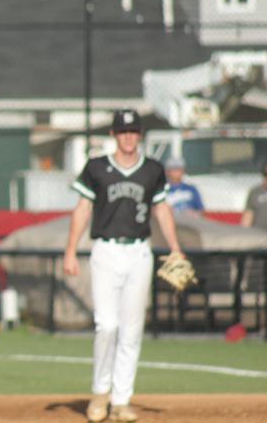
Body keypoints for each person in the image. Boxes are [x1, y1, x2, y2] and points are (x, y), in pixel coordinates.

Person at [62, 109, 184, 423]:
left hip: (139, 252)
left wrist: (175, 249)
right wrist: (70, 251)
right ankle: (100, 393)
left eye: (133, 132)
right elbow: (82, 209)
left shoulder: (153, 170)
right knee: (107, 325)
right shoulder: (97, 167)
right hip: (105, 250)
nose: (128, 137)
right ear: (114, 135)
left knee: (132, 329)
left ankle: (121, 400)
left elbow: (163, 210)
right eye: (123, 131)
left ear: (139, 134)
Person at [240, 163, 267, 232]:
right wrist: (244, 232)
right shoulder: (255, 192)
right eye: (266, 175)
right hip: (259, 234)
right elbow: (248, 215)